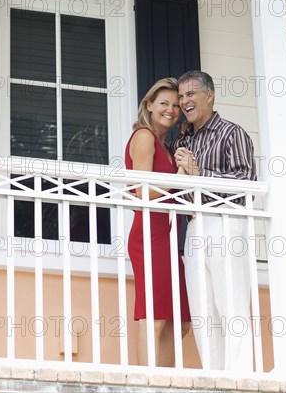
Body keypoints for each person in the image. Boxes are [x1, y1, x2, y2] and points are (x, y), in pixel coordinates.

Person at [172, 70, 257, 372]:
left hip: (224, 222)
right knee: (203, 312)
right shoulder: (183, 139)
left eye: (191, 94)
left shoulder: (232, 133)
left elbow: (246, 185)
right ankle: (216, 379)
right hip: (194, 226)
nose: (184, 101)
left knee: (231, 306)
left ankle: (242, 380)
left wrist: (198, 174)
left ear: (210, 95)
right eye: (181, 96)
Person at [125, 77, 191, 367]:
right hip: (148, 234)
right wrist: (177, 178)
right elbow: (141, 193)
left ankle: (166, 381)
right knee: (155, 316)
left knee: (179, 320)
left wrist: (186, 170)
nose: (171, 110)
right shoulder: (143, 136)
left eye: (176, 105)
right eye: (163, 103)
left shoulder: (167, 146)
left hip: (167, 236)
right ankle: (148, 383)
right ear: (149, 105)